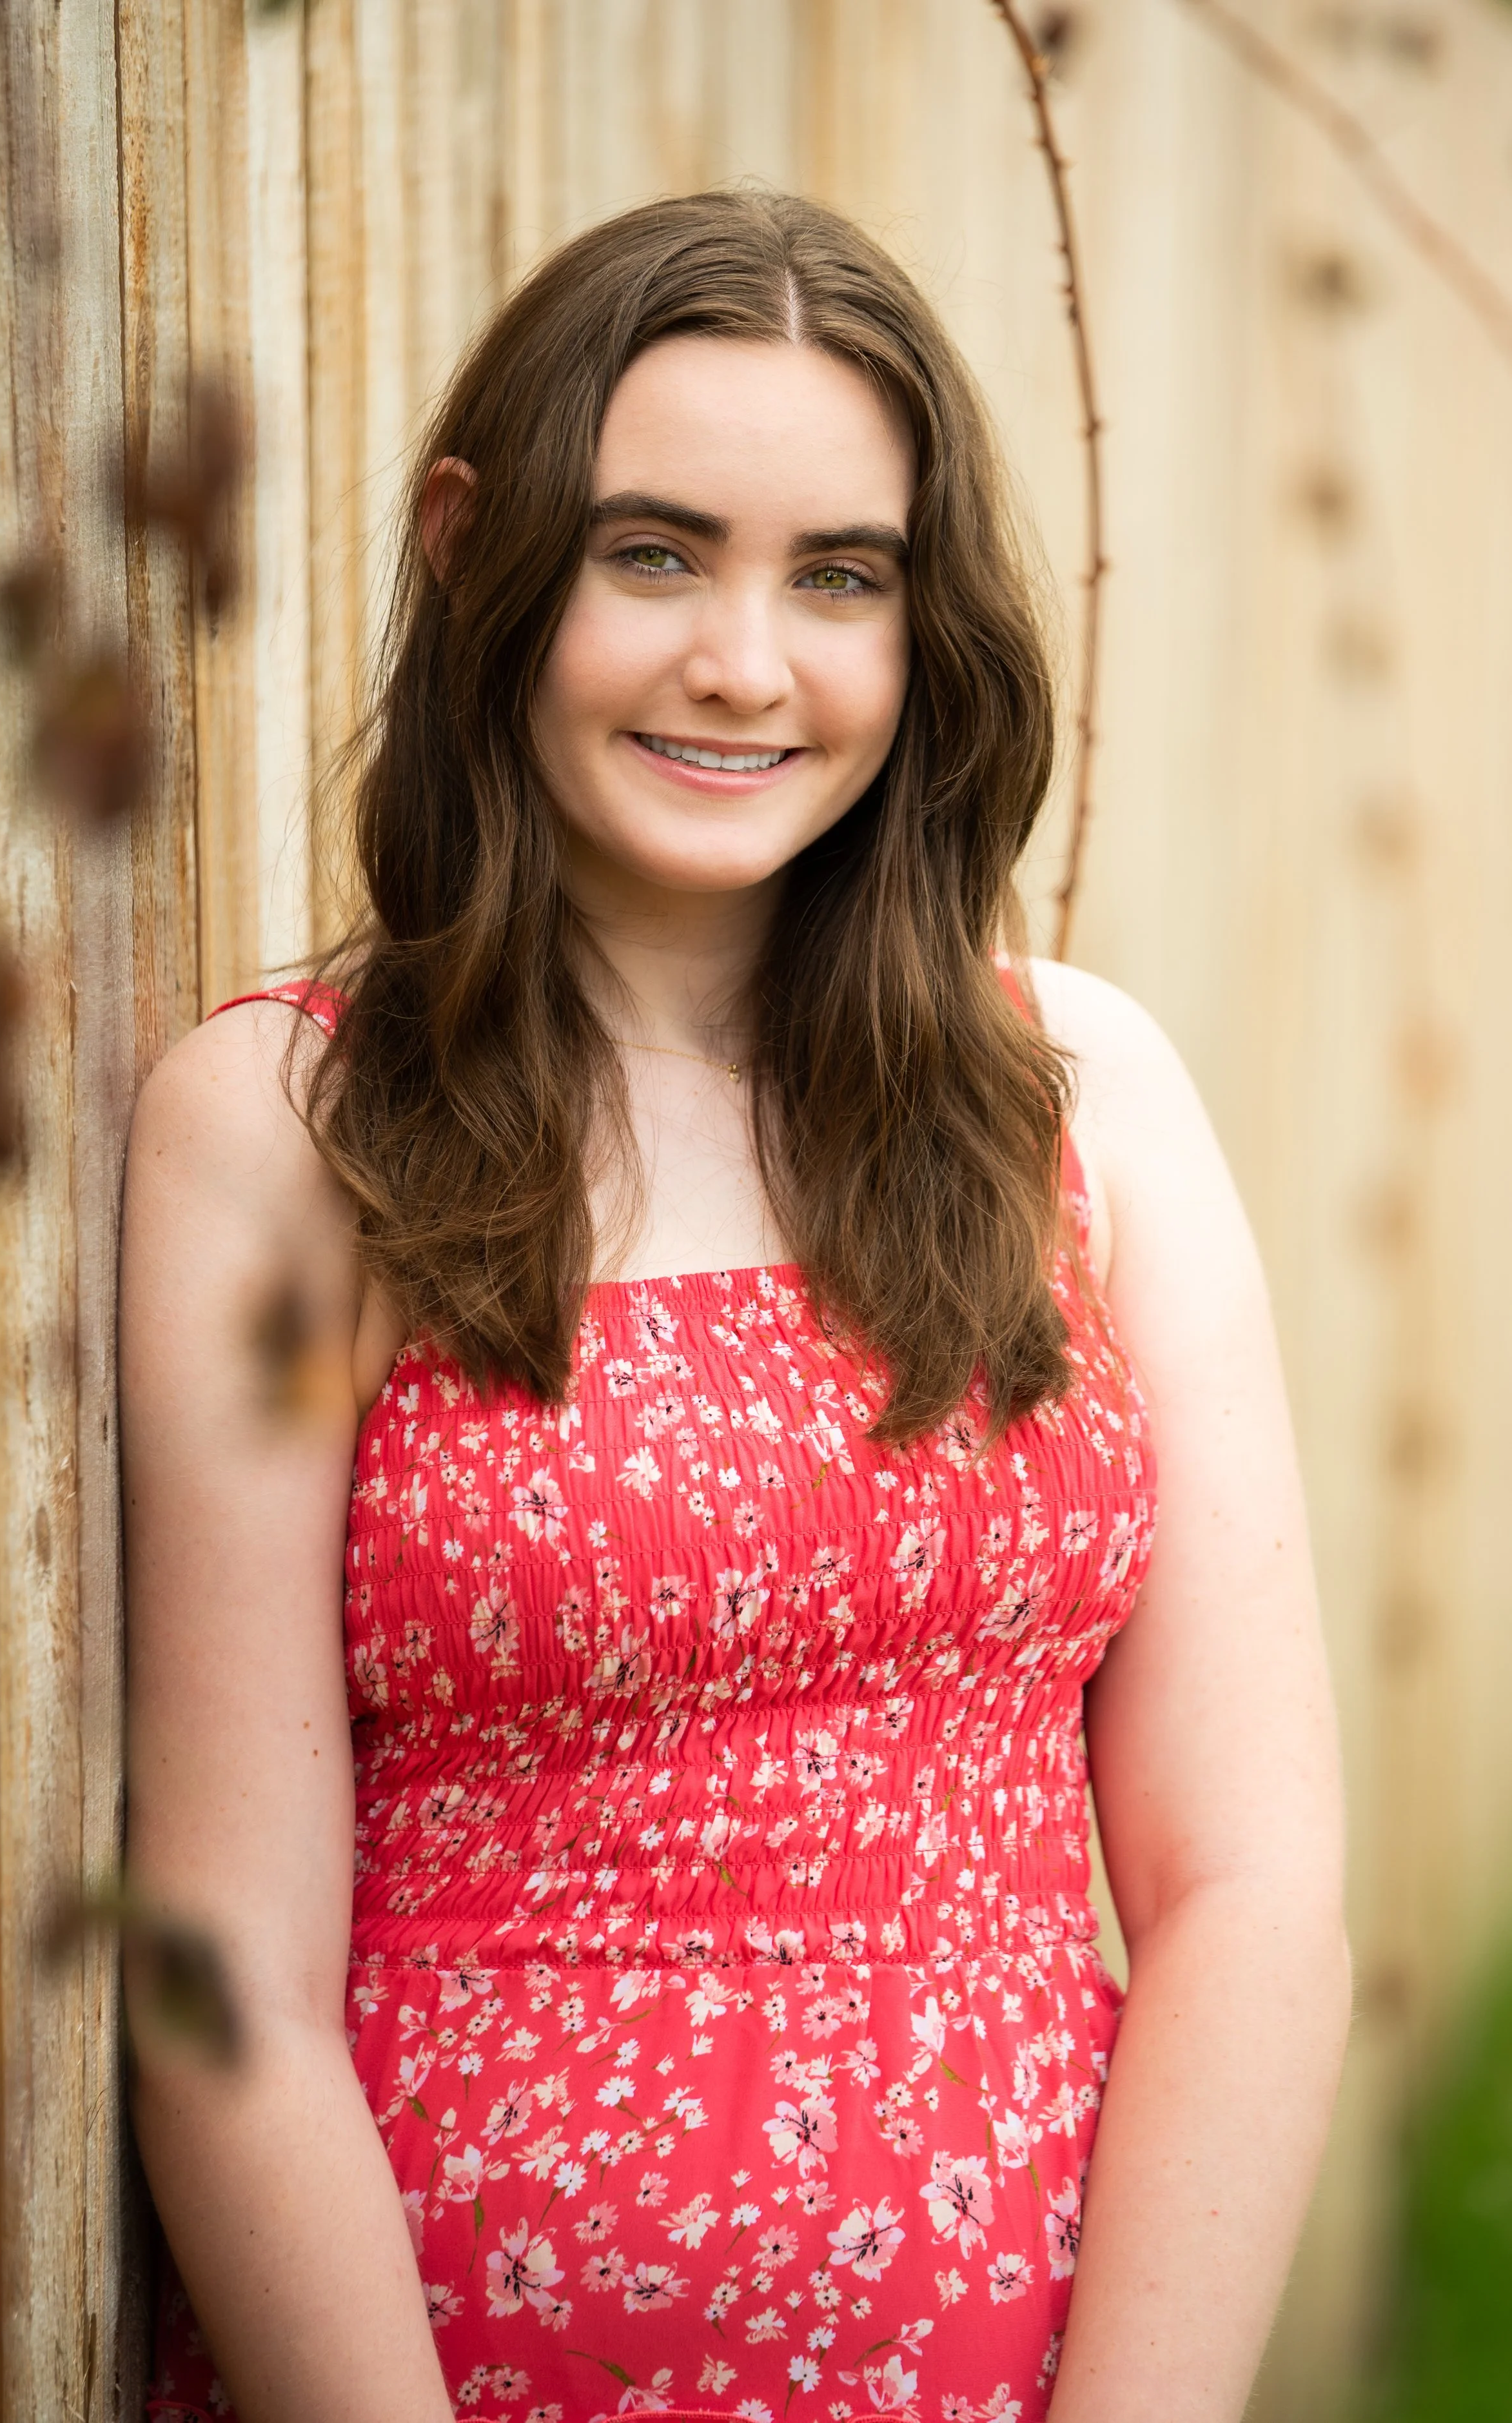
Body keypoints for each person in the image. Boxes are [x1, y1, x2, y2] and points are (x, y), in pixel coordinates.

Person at [123, 190, 1349, 2423]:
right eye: (655, 554)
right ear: (474, 550)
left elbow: (1248, 1891)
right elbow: (225, 1966)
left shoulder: (1080, 1100)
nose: (745, 664)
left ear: (922, 625)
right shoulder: (289, 1125)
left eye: (840, 578)